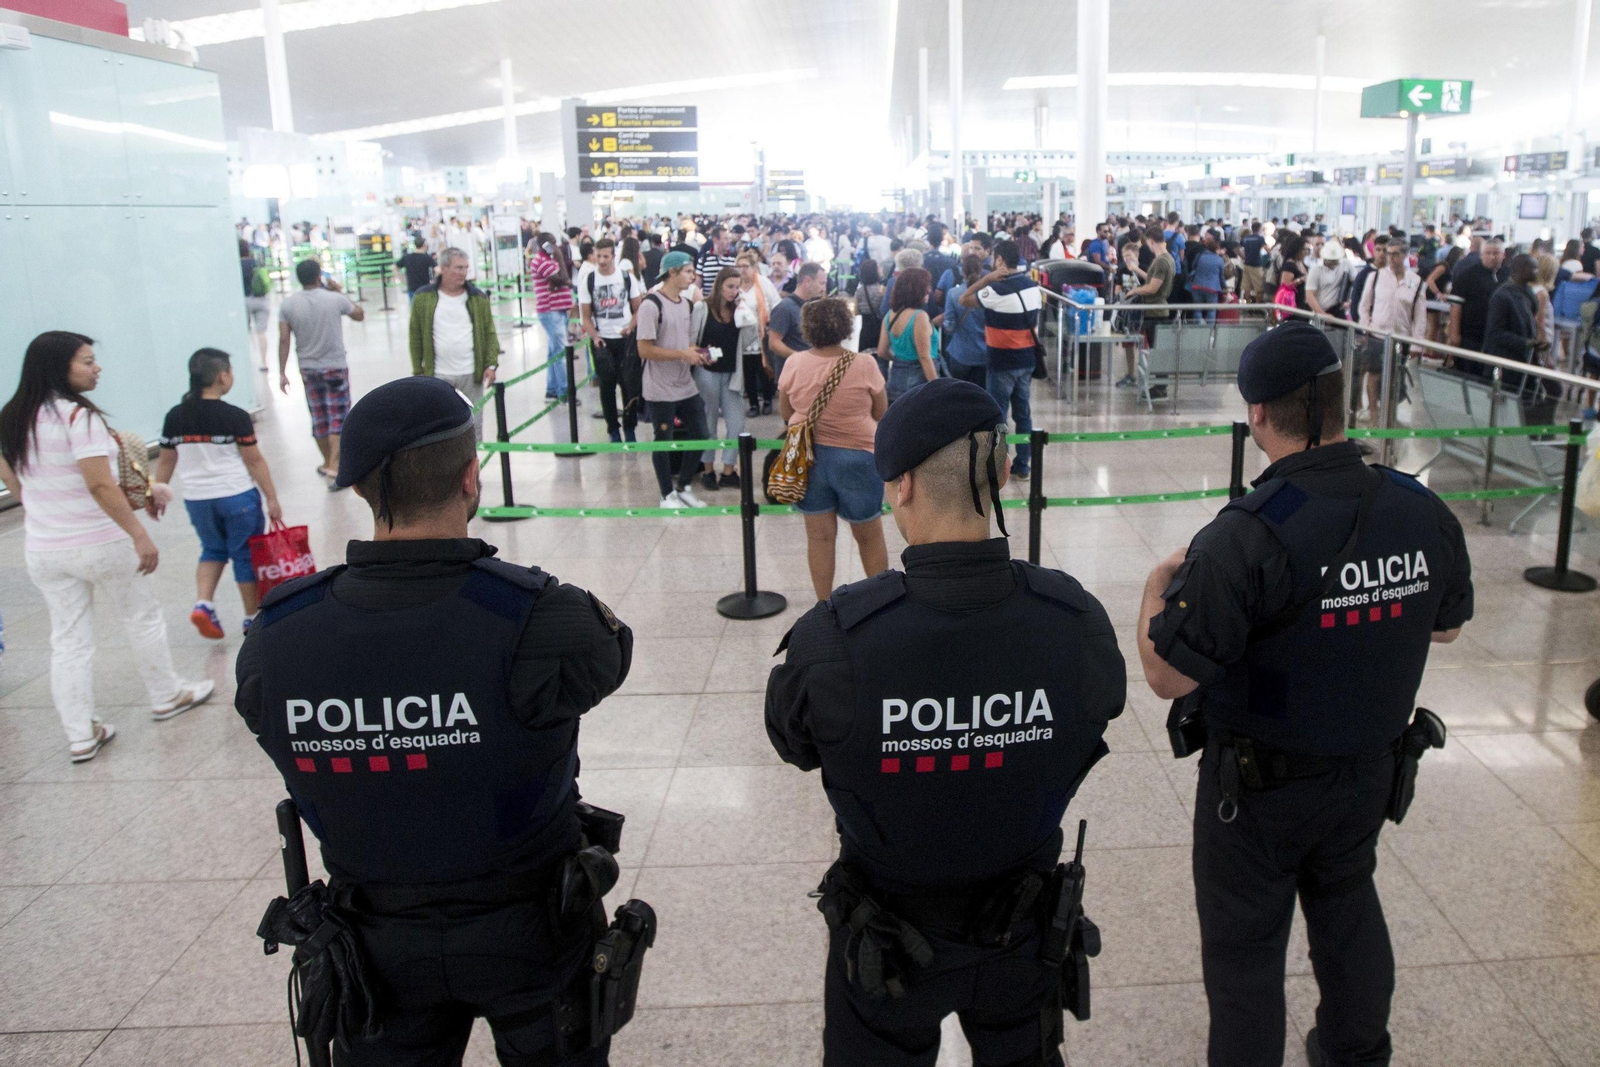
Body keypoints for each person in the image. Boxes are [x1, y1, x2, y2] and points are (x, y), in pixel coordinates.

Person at [238, 376, 642, 1067]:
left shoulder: (276, 639)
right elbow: (608, 663)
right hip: (532, 929)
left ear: (359, 487)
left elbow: (260, 716)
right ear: (470, 478)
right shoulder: (543, 619)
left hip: (371, 944)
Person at [1137, 321, 1472, 1067]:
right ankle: (1358, 1051)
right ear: (1341, 398)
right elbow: (1446, 627)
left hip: (1258, 791)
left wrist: (1157, 585)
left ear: (1257, 413)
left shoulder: (1252, 530)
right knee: (1348, 910)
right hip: (1369, 769)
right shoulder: (1417, 506)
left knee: (1245, 955)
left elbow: (1168, 675)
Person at [765, 376, 1125, 1066]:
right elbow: (1098, 711)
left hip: (887, 946)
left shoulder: (838, 637)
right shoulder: (1073, 620)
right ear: (1004, 472)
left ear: (901, 485)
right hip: (1021, 930)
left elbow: (794, 741)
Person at [0, 332, 215, 763]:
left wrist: (47, 510)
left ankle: (80, 735)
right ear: (59, 367)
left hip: (44, 548)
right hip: (100, 541)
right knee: (142, 617)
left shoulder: (11, 418)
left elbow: (14, 482)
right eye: (87, 361)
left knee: (68, 641)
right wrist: (138, 533)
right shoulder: (79, 417)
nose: (96, 368)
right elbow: (99, 484)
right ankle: (166, 695)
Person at [152, 348, 282, 639]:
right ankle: (252, 618)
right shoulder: (235, 416)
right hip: (236, 496)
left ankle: (204, 604)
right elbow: (254, 460)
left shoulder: (175, 416)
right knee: (245, 555)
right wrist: (272, 498)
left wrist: (157, 493)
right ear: (223, 377)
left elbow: (166, 461)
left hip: (198, 500)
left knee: (212, 549)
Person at [775, 296, 890, 601]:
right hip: (858, 457)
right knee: (869, 536)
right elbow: (880, 412)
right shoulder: (864, 364)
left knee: (820, 539)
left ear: (807, 328)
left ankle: (824, 607)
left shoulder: (794, 363)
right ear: (846, 327)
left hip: (808, 458)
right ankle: (881, 603)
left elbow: (786, 412)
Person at [636, 251, 712, 509]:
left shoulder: (687, 305)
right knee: (664, 438)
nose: (693, 276)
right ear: (672, 272)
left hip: (684, 383)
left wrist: (700, 354)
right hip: (659, 386)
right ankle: (666, 494)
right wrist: (682, 354)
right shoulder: (651, 305)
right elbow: (644, 349)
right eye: (688, 271)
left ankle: (684, 486)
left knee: (701, 432)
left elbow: (685, 343)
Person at [278, 258, 364, 485]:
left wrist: (282, 372)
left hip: (308, 368)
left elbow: (284, 340)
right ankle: (335, 466)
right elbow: (359, 314)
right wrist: (339, 291)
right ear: (319, 276)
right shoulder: (334, 299)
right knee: (338, 415)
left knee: (319, 416)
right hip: (335, 366)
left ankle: (327, 462)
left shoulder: (288, 305)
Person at [961, 239, 1041, 478]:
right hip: (1027, 360)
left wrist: (987, 278)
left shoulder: (996, 290)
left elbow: (964, 299)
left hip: (1002, 362)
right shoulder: (1033, 287)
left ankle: (997, 466)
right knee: (1023, 413)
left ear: (999, 261)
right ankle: (1023, 465)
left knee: (998, 414)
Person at [407, 247, 501, 436]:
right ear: (443, 268)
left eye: (466, 268)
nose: (463, 273)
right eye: (458, 268)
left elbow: (489, 333)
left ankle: (473, 456)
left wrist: (491, 365)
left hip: (471, 374)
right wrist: (418, 371)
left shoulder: (478, 297)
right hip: (437, 375)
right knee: (439, 427)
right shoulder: (423, 297)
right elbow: (415, 336)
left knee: (473, 427)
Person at [577, 238, 642, 444]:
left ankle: (630, 427)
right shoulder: (589, 280)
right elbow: (586, 316)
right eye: (599, 256)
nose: (602, 260)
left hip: (625, 339)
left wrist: (631, 327)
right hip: (603, 341)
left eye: (606, 256)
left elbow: (638, 308)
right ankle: (613, 428)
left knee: (628, 385)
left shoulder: (626, 278)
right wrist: (595, 336)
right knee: (606, 387)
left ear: (613, 256)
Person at [694, 267, 746, 490]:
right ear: (719, 286)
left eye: (737, 287)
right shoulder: (702, 308)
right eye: (730, 286)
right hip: (706, 373)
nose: (733, 291)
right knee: (709, 423)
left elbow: (749, 338)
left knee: (737, 424)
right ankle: (707, 470)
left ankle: (728, 469)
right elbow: (690, 340)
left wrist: (745, 309)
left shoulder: (739, 310)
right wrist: (701, 353)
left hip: (731, 373)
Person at [1117, 229, 1177, 393]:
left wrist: (1135, 291)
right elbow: (1152, 281)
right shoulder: (1168, 259)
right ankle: (1159, 386)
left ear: (1151, 241)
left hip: (1155, 311)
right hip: (1157, 309)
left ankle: (1160, 387)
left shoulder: (1161, 261)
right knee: (1157, 349)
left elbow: (1152, 288)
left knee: (1156, 350)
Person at [878, 267, 941, 403]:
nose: (929, 291)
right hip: (918, 380)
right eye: (926, 286)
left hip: (896, 378)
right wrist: (937, 388)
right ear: (916, 290)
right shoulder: (919, 317)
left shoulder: (889, 316)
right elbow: (924, 357)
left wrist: (900, 360)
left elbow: (881, 351)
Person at [1449, 238, 1508, 375]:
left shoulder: (1508, 276)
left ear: (1503, 255)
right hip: (1470, 337)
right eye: (1488, 253)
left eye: (1496, 253)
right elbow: (1456, 305)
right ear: (1481, 254)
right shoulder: (1467, 275)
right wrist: (1454, 335)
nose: (1492, 257)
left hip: (1497, 339)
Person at [529, 233, 578, 402]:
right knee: (560, 353)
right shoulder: (541, 261)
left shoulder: (549, 261)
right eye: (553, 243)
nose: (556, 246)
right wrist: (560, 258)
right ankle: (564, 392)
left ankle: (552, 390)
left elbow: (563, 280)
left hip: (558, 310)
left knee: (554, 353)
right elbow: (562, 278)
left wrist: (562, 280)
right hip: (550, 311)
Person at [735, 250, 782, 416]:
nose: (742, 270)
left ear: (753, 267)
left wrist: (772, 324)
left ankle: (768, 400)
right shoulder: (735, 285)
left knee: (764, 368)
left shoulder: (762, 282)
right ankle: (753, 403)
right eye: (739, 266)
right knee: (748, 371)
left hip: (762, 331)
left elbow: (777, 304)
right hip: (742, 335)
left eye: (745, 266)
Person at [767, 261, 828, 387]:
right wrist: (801, 358)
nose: (824, 288)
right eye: (821, 283)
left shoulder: (811, 306)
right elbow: (774, 343)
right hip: (792, 378)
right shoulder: (785, 307)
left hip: (811, 375)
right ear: (807, 281)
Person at [941, 253, 988, 389]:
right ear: (981, 271)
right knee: (981, 393)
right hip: (985, 354)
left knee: (959, 392)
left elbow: (949, 326)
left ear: (962, 271)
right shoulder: (989, 294)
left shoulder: (953, 293)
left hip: (960, 353)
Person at [241, 238, 272, 370]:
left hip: (245, 300)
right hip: (261, 299)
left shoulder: (236, 265)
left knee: (245, 332)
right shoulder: (256, 262)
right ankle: (264, 362)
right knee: (261, 332)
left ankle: (247, 361)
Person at [1306, 241, 1352, 322]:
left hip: (1338, 309)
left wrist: (1350, 300)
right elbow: (1309, 295)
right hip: (1321, 310)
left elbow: (1356, 281)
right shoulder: (1315, 270)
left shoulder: (1345, 264)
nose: (1333, 263)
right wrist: (1323, 314)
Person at [1190, 236, 1228, 322]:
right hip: (1212, 288)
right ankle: (1210, 328)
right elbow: (1221, 276)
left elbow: (1193, 267)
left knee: (1197, 309)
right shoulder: (1219, 260)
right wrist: (1225, 288)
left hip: (1197, 286)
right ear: (1216, 249)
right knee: (1211, 310)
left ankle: (1198, 326)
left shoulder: (1200, 256)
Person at [696, 225, 739, 298]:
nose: (729, 242)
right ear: (715, 240)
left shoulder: (734, 258)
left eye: (729, 239)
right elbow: (697, 284)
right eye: (725, 239)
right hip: (709, 300)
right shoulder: (704, 259)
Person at [395, 235, 437, 305]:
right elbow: (437, 270)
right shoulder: (427, 258)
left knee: (414, 308)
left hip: (412, 287)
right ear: (424, 245)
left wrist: (401, 279)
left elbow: (394, 267)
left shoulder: (407, 257)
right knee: (426, 308)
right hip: (425, 288)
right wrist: (434, 280)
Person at [1239, 222, 1267, 306]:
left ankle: (1247, 306)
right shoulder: (1260, 238)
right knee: (1259, 288)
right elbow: (1267, 249)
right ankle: (1257, 307)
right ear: (1259, 229)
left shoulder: (1245, 238)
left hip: (1246, 264)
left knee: (1246, 287)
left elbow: (1239, 248)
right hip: (1256, 265)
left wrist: (1244, 257)